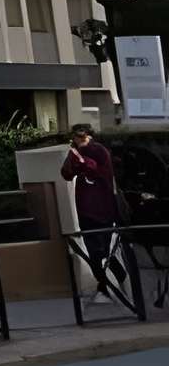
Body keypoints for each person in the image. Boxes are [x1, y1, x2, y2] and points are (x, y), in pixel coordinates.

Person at [64, 125, 128, 302]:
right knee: (95, 253)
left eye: (80, 137)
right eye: (76, 138)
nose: (78, 141)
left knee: (103, 252)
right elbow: (66, 174)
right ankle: (106, 287)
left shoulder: (99, 151)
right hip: (86, 210)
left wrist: (82, 160)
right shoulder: (76, 152)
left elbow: (100, 172)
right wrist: (74, 159)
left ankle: (117, 285)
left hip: (103, 210)